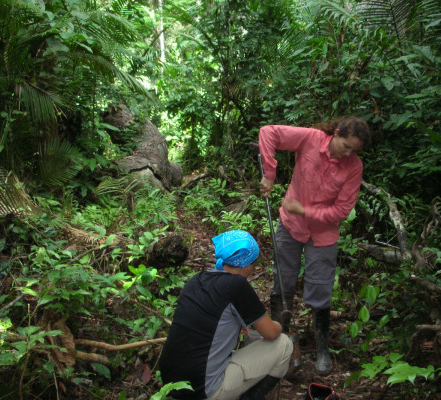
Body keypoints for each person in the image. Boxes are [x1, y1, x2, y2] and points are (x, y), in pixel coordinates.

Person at [258, 117, 371, 376]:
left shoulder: (354, 167)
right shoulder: (310, 138)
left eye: (354, 150)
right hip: (290, 226)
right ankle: (280, 342)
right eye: (346, 146)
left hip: (323, 234)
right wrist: (270, 174)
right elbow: (268, 132)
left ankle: (322, 348)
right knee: (282, 282)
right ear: (337, 133)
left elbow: (341, 211)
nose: (348, 153)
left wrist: (304, 210)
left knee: (320, 288)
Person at [159, 230, 293, 400]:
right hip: (204, 391)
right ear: (245, 265)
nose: (253, 269)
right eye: (253, 264)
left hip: (172, 384)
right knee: (283, 344)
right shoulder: (237, 285)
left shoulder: (197, 280)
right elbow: (271, 333)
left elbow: (207, 320)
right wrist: (280, 324)